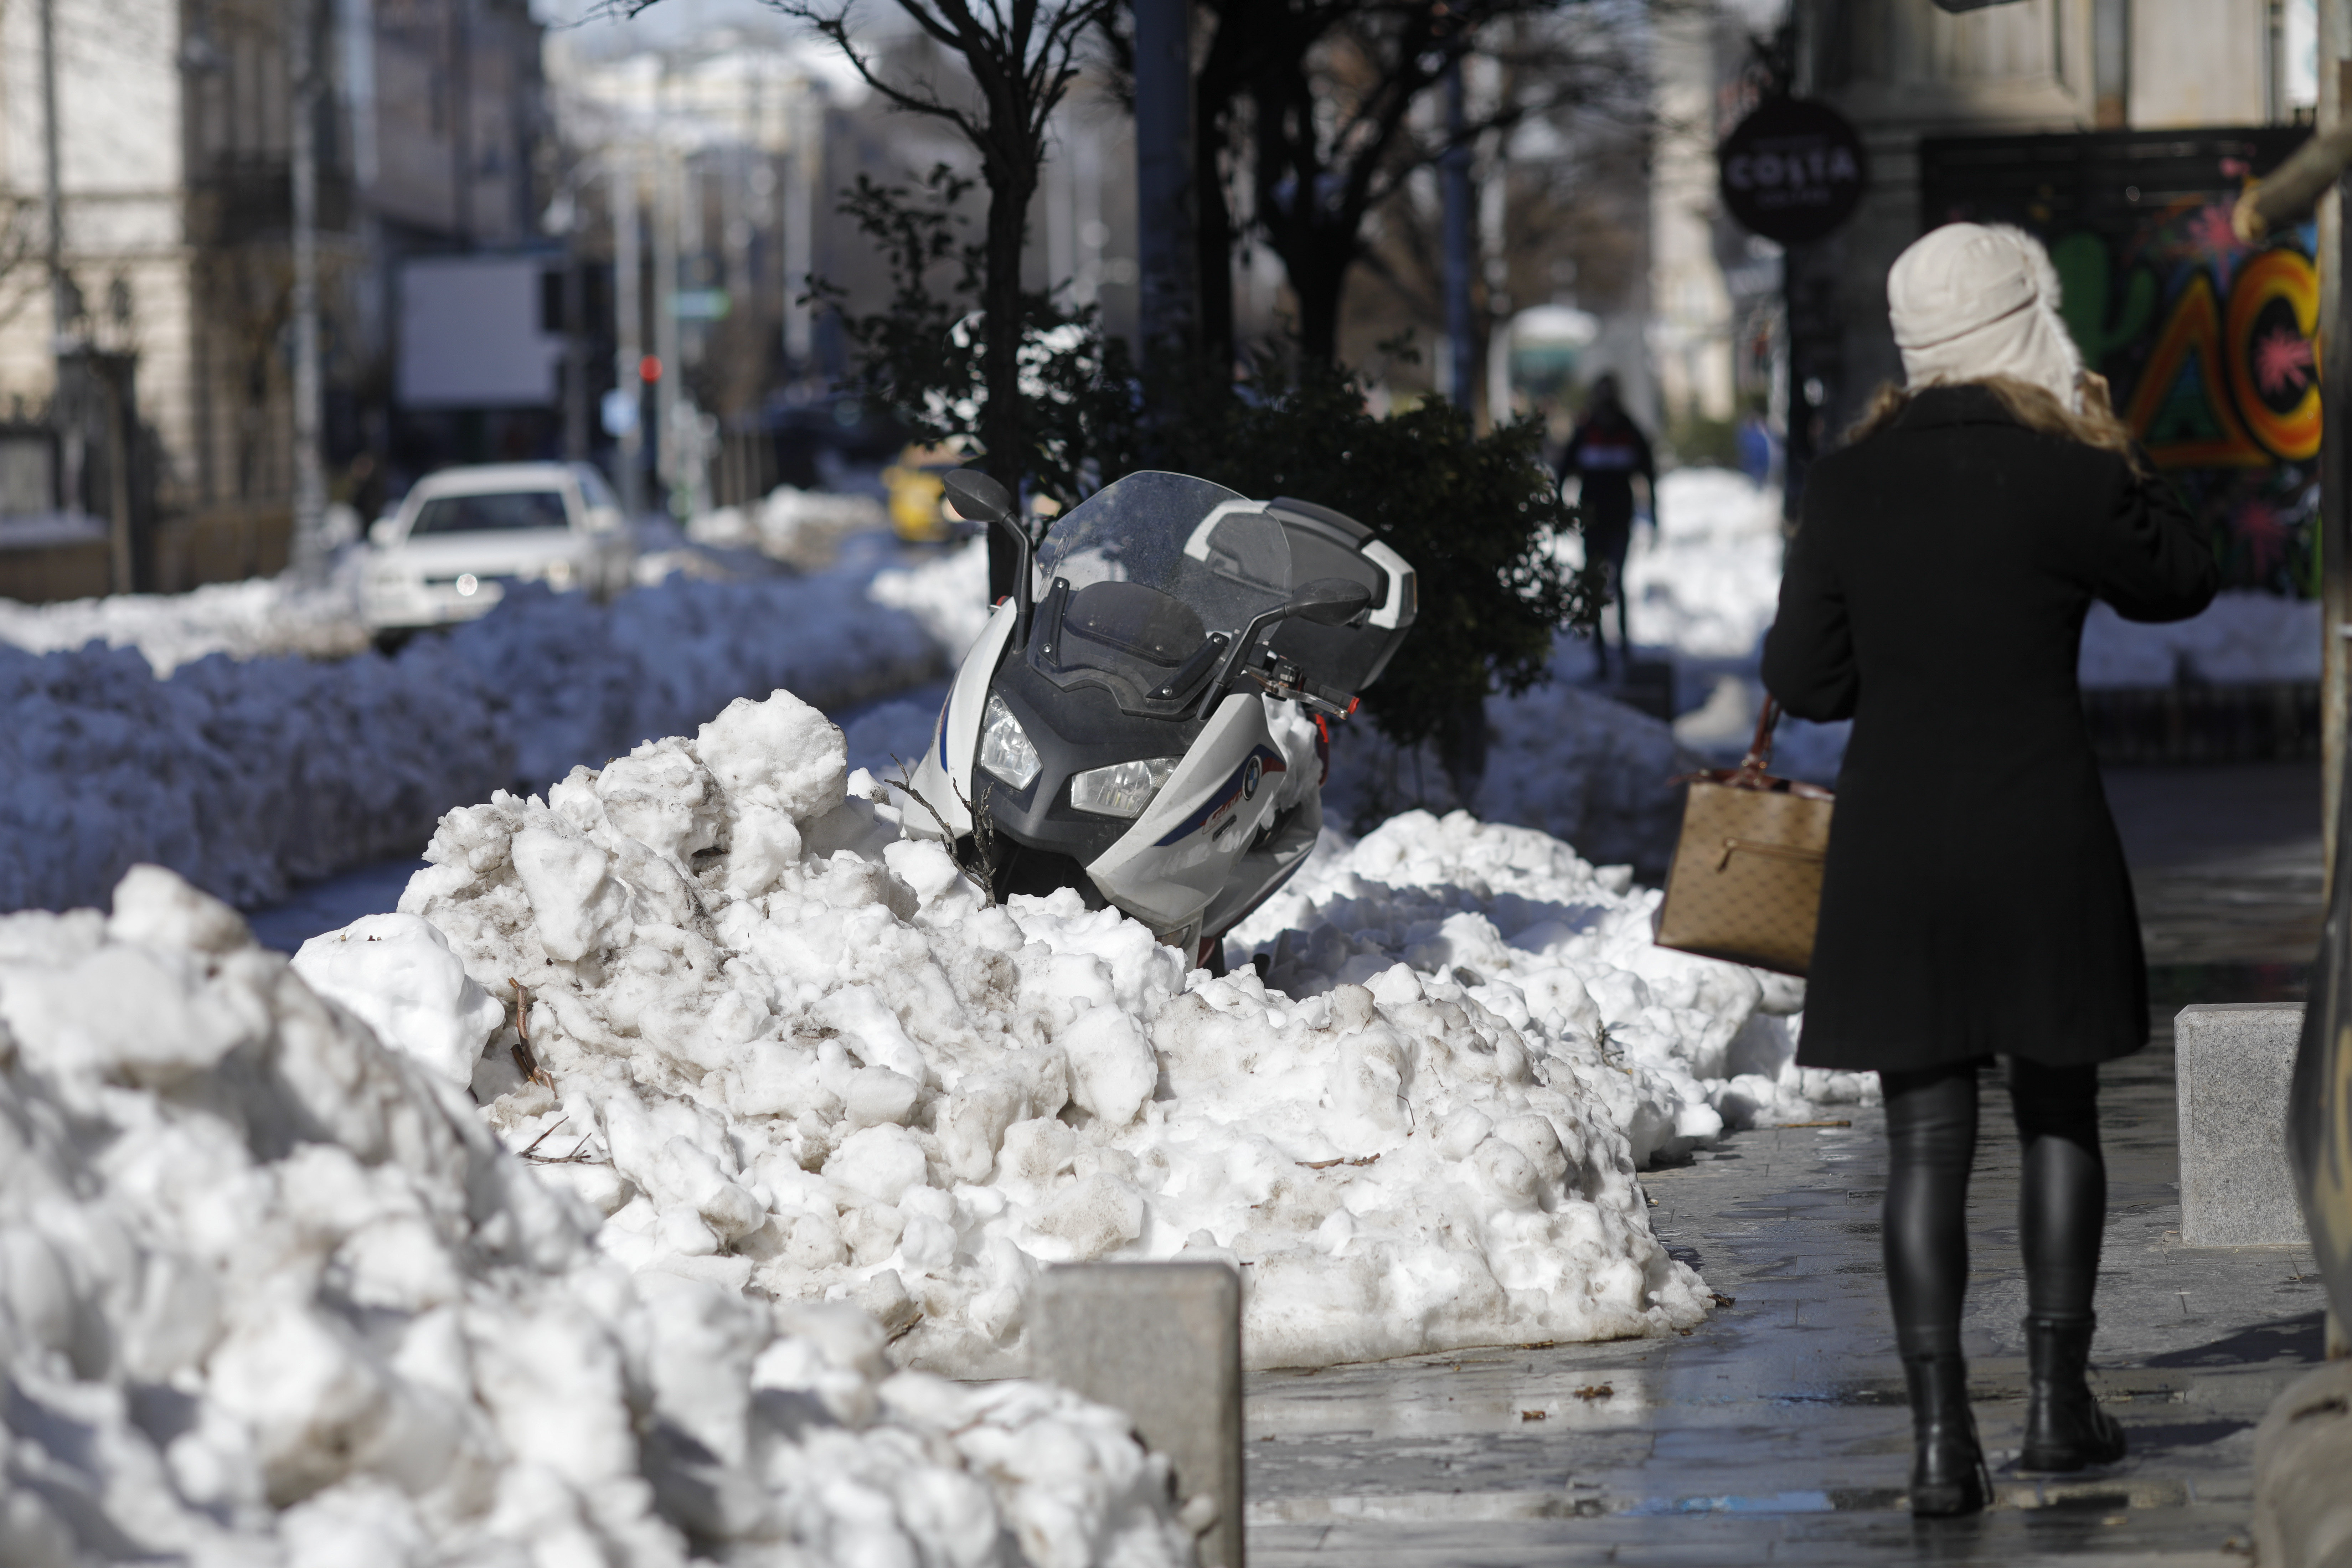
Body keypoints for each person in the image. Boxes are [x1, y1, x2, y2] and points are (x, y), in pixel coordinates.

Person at [1760, 223, 2217, 1518]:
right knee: (2059, 1114)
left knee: (1924, 1143)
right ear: (2030, 324)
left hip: (1897, 846)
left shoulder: (1848, 485)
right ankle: (2061, 1413)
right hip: (2042, 832)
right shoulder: (2063, 472)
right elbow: (2185, 579)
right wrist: (2111, 443)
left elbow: (1806, 682)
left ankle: (1937, 1439)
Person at [1557, 374, 1655, 676]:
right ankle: (1602, 651)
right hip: (1594, 520)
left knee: (1618, 583)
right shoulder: (1587, 431)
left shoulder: (1627, 429)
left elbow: (1649, 475)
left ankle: (1621, 647)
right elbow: (1564, 471)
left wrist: (1655, 516)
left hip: (1618, 518)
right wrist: (1561, 511)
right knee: (1596, 585)